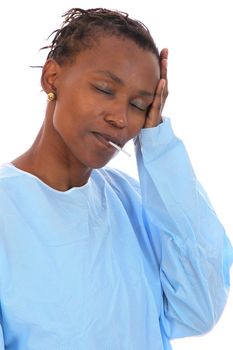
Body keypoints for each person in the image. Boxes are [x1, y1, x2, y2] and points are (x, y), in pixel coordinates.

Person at [0, 7, 232, 350]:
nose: (121, 118)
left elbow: (199, 309)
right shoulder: (7, 208)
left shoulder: (133, 202)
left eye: (139, 105)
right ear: (52, 78)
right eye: (105, 89)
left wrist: (158, 146)